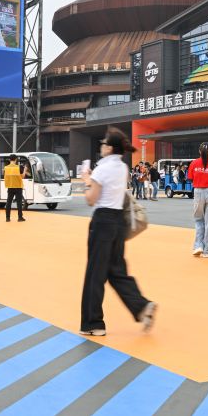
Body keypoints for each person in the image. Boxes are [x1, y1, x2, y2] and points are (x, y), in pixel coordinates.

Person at [79, 128, 157, 336]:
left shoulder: (102, 169)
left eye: (104, 143)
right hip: (117, 222)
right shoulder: (123, 167)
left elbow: (91, 199)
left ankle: (93, 323)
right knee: (116, 270)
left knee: (95, 274)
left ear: (109, 148)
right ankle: (141, 306)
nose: (101, 146)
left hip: (102, 221)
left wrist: (86, 180)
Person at [4, 154, 27, 222]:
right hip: (18, 187)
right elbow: (22, 176)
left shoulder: (6, 168)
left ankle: (7, 218)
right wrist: (25, 170)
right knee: (19, 203)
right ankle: (20, 217)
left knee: (8, 202)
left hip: (10, 186)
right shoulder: (18, 167)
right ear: (16, 159)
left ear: (10, 159)